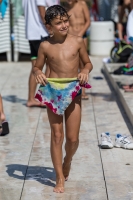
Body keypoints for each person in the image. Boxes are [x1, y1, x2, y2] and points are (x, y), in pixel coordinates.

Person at [33, 5, 93, 193]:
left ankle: (68, 160)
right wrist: (37, 73)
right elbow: (38, 66)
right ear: (49, 26)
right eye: (59, 23)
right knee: (57, 136)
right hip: (52, 91)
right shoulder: (45, 45)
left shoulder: (77, 42)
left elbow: (88, 63)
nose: (64, 25)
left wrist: (84, 70)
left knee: (73, 138)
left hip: (73, 90)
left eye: (65, 21)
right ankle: (59, 177)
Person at [22, 0, 49, 107]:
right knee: (49, 66)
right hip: (40, 33)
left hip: (31, 33)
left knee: (35, 66)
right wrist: (50, 29)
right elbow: (42, 13)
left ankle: (31, 99)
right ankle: (42, 98)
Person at [66, 0, 90, 100]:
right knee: (72, 65)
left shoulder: (82, 4)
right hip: (71, 38)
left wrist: (80, 34)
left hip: (82, 37)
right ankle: (73, 89)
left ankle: (82, 91)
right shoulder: (65, 8)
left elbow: (88, 21)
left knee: (82, 65)